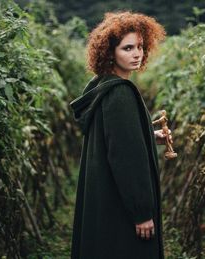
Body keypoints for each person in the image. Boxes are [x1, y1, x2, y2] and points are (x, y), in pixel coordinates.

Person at [69, 11, 172, 259]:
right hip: (121, 209)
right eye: (127, 48)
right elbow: (126, 158)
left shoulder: (100, 86)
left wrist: (149, 134)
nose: (136, 53)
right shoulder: (120, 94)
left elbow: (117, 138)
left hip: (106, 198)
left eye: (139, 46)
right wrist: (142, 212)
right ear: (109, 52)